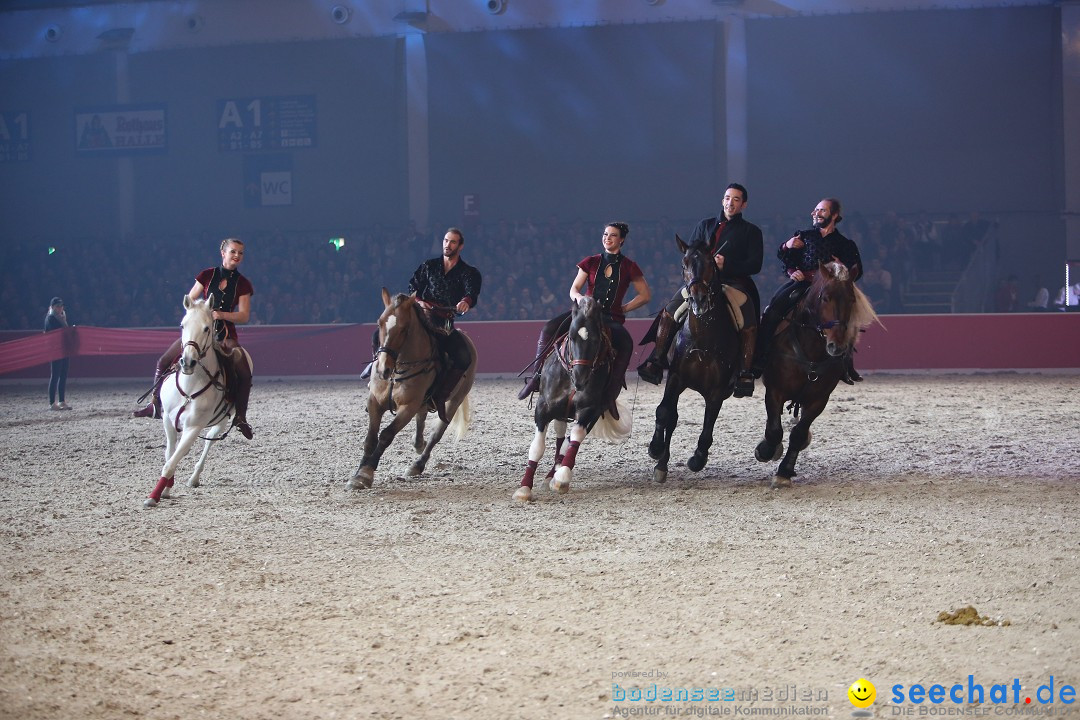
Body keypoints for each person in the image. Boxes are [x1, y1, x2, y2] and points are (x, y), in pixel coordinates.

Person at [637, 183, 763, 397]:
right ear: (722, 200)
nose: (730, 202)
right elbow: (690, 254)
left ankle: (745, 371)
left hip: (733, 282)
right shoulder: (705, 225)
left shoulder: (751, 231)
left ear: (744, 204)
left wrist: (726, 265)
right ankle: (657, 360)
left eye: (736, 199)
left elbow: (755, 265)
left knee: (747, 320)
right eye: (727, 198)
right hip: (700, 282)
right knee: (670, 311)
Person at [517, 222, 651, 418]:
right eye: (605, 234)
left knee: (626, 343)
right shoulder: (591, 261)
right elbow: (573, 290)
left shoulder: (629, 266)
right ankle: (536, 378)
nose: (607, 238)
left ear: (621, 240)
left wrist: (623, 308)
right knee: (548, 328)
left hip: (610, 317)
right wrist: (581, 300)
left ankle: (609, 396)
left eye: (613, 235)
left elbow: (645, 295)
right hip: (584, 313)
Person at [132, 238, 255, 439]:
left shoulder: (243, 284)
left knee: (243, 369)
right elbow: (190, 301)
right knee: (163, 360)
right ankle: (155, 404)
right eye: (233, 252)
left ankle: (240, 416)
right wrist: (202, 315)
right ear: (223, 253)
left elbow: (244, 316)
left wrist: (221, 315)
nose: (237, 256)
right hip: (199, 332)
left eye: (241, 253)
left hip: (225, 335)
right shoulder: (206, 275)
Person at [752, 198, 863, 383]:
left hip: (832, 288)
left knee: (847, 317)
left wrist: (842, 266)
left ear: (834, 215)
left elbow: (857, 270)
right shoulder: (804, 236)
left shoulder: (845, 244)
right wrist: (791, 265)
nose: (816, 213)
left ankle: (846, 364)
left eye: (822, 210)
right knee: (772, 311)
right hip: (803, 283)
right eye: (815, 210)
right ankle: (760, 358)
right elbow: (785, 256)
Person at [404, 227, 483, 423]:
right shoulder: (428, 266)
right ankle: (375, 371)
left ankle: (439, 397)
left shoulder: (469, 272)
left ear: (460, 246)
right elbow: (413, 285)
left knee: (464, 358)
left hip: (443, 322)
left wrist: (465, 301)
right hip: (420, 316)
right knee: (389, 332)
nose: (448, 245)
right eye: (446, 241)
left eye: (453, 242)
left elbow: (471, 292)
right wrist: (419, 301)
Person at [44, 297, 72, 411]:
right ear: (52, 307)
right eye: (57, 306)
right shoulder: (51, 318)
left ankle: (61, 400)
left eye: (61, 306)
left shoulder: (61, 317)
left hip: (64, 348)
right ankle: (52, 402)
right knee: (55, 375)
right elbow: (58, 333)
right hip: (55, 349)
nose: (60, 308)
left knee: (63, 374)